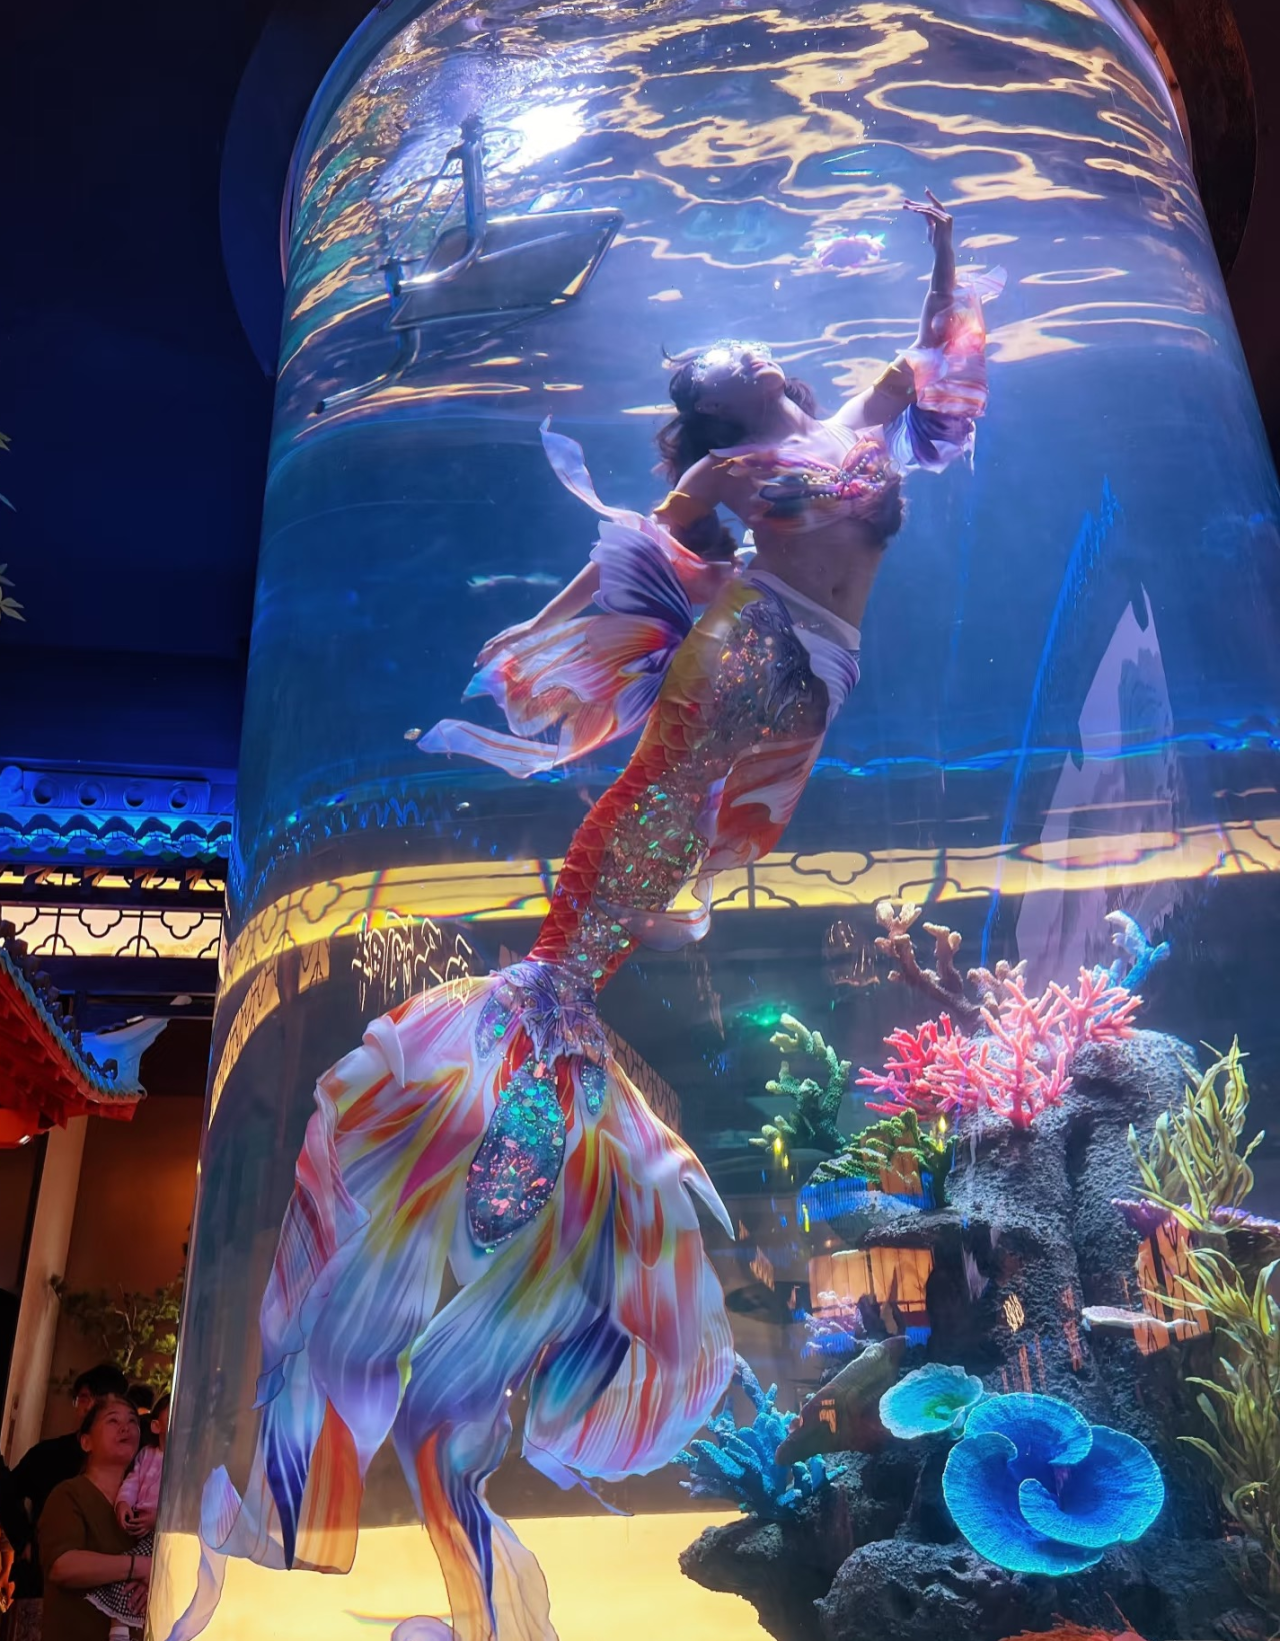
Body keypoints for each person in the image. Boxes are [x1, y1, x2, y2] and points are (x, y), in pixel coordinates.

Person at [165, 195, 1000, 1641]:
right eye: (717, 370)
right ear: (719, 404)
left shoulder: (853, 419)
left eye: (734, 356)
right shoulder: (738, 468)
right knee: (644, 824)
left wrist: (940, 257)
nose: (739, 357)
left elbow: (938, 369)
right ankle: (538, 1033)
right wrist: (675, 539)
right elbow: (654, 546)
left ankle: (539, 1038)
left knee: (663, 842)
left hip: (810, 670)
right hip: (753, 650)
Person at [39, 1396, 150, 1641]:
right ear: (86, 1442)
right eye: (113, 1421)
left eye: (133, 1421)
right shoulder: (69, 1494)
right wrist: (140, 1567)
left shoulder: (146, 1503)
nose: (126, 1428)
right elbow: (63, 1566)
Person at [114, 1393, 168, 1538]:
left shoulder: (186, 1461)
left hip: (165, 1529)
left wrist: (160, 1518)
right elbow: (132, 1481)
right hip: (137, 1521)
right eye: (173, 1413)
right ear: (156, 1426)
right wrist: (123, 1502)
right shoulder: (146, 1453)